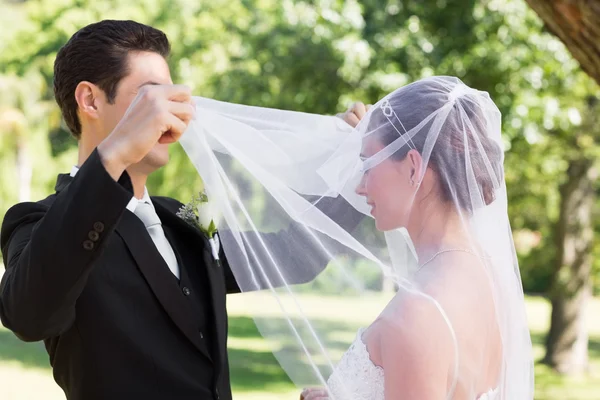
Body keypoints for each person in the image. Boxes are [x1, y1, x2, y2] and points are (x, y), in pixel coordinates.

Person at [0, 20, 360, 400]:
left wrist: (356, 171)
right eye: (150, 98)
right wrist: (117, 153)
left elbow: (291, 256)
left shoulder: (182, 218)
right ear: (90, 100)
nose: (169, 113)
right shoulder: (37, 221)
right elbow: (29, 315)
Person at [180, 76, 534, 399]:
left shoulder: (418, 313)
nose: (360, 186)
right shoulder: (485, 277)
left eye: (367, 164)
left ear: (413, 167)